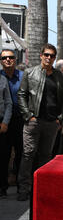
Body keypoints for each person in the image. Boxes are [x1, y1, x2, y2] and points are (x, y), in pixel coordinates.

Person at [16, 43, 63, 201]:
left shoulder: (59, 76)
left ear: (54, 58)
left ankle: (41, 188)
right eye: (46, 55)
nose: (48, 58)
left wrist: (60, 119)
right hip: (33, 121)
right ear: (41, 56)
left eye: (52, 56)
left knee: (46, 156)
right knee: (28, 155)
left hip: (51, 123)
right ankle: (24, 189)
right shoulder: (30, 73)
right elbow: (22, 95)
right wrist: (28, 116)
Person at [0, 49, 23, 198]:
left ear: (15, 59)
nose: (8, 60)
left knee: (22, 154)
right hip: (3, 121)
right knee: (3, 155)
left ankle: (22, 187)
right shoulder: (0, 77)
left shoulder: (23, 77)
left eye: (11, 57)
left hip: (21, 120)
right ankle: (2, 187)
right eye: (4, 58)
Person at [0, 71, 12, 198]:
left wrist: (5, 122)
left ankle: (2, 187)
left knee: (3, 157)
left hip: (1, 123)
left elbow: (8, 103)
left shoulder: (2, 79)